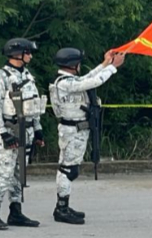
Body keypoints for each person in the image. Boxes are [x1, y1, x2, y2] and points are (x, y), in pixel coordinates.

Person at [49, 48, 125, 224]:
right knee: (68, 170)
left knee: (69, 168)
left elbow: (86, 79)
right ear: (74, 65)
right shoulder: (64, 83)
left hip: (76, 130)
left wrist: (105, 63)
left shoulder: (67, 80)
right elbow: (92, 82)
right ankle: (61, 208)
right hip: (72, 131)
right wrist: (113, 67)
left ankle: (63, 206)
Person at [0, 37, 47, 230]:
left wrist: (38, 130)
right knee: (5, 173)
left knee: (20, 173)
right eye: (27, 52)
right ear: (17, 54)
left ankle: (16, 211)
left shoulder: (27, 75)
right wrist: (3, 132)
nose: (30, 56)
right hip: (11, 130)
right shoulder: (1, 76)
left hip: (26, 129)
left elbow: (33, 104)